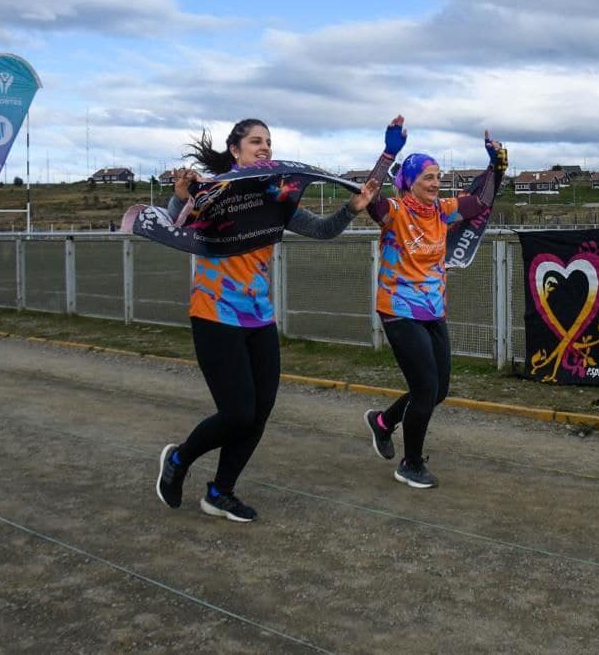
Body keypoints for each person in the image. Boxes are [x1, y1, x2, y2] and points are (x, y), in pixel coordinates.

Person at [156, 118, 381, 522]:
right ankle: (179, 459)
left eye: (269, 142)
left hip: (259, 317)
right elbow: (177, 224)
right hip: (214, 313)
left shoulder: (274, 195)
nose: (264, 147)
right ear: (235, 149)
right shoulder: (214, 190)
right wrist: (179, 196)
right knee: (238, 412)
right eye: (255, 141)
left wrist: (352, 208)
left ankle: (220, 492)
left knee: (259, 412)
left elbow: (323, 230)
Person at [362, 125, 505, 488]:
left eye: (438, 177)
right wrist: (388, 154)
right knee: (425, 388)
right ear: (410, 181)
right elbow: (368, 195)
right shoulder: (393, 211)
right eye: (428, 177)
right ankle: (410, 464)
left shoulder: (442, 211)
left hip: (432, 309)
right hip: (397, 308)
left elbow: (481, 202)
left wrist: (496, 165)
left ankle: (383, 421)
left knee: (438, 389)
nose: (435, 183)